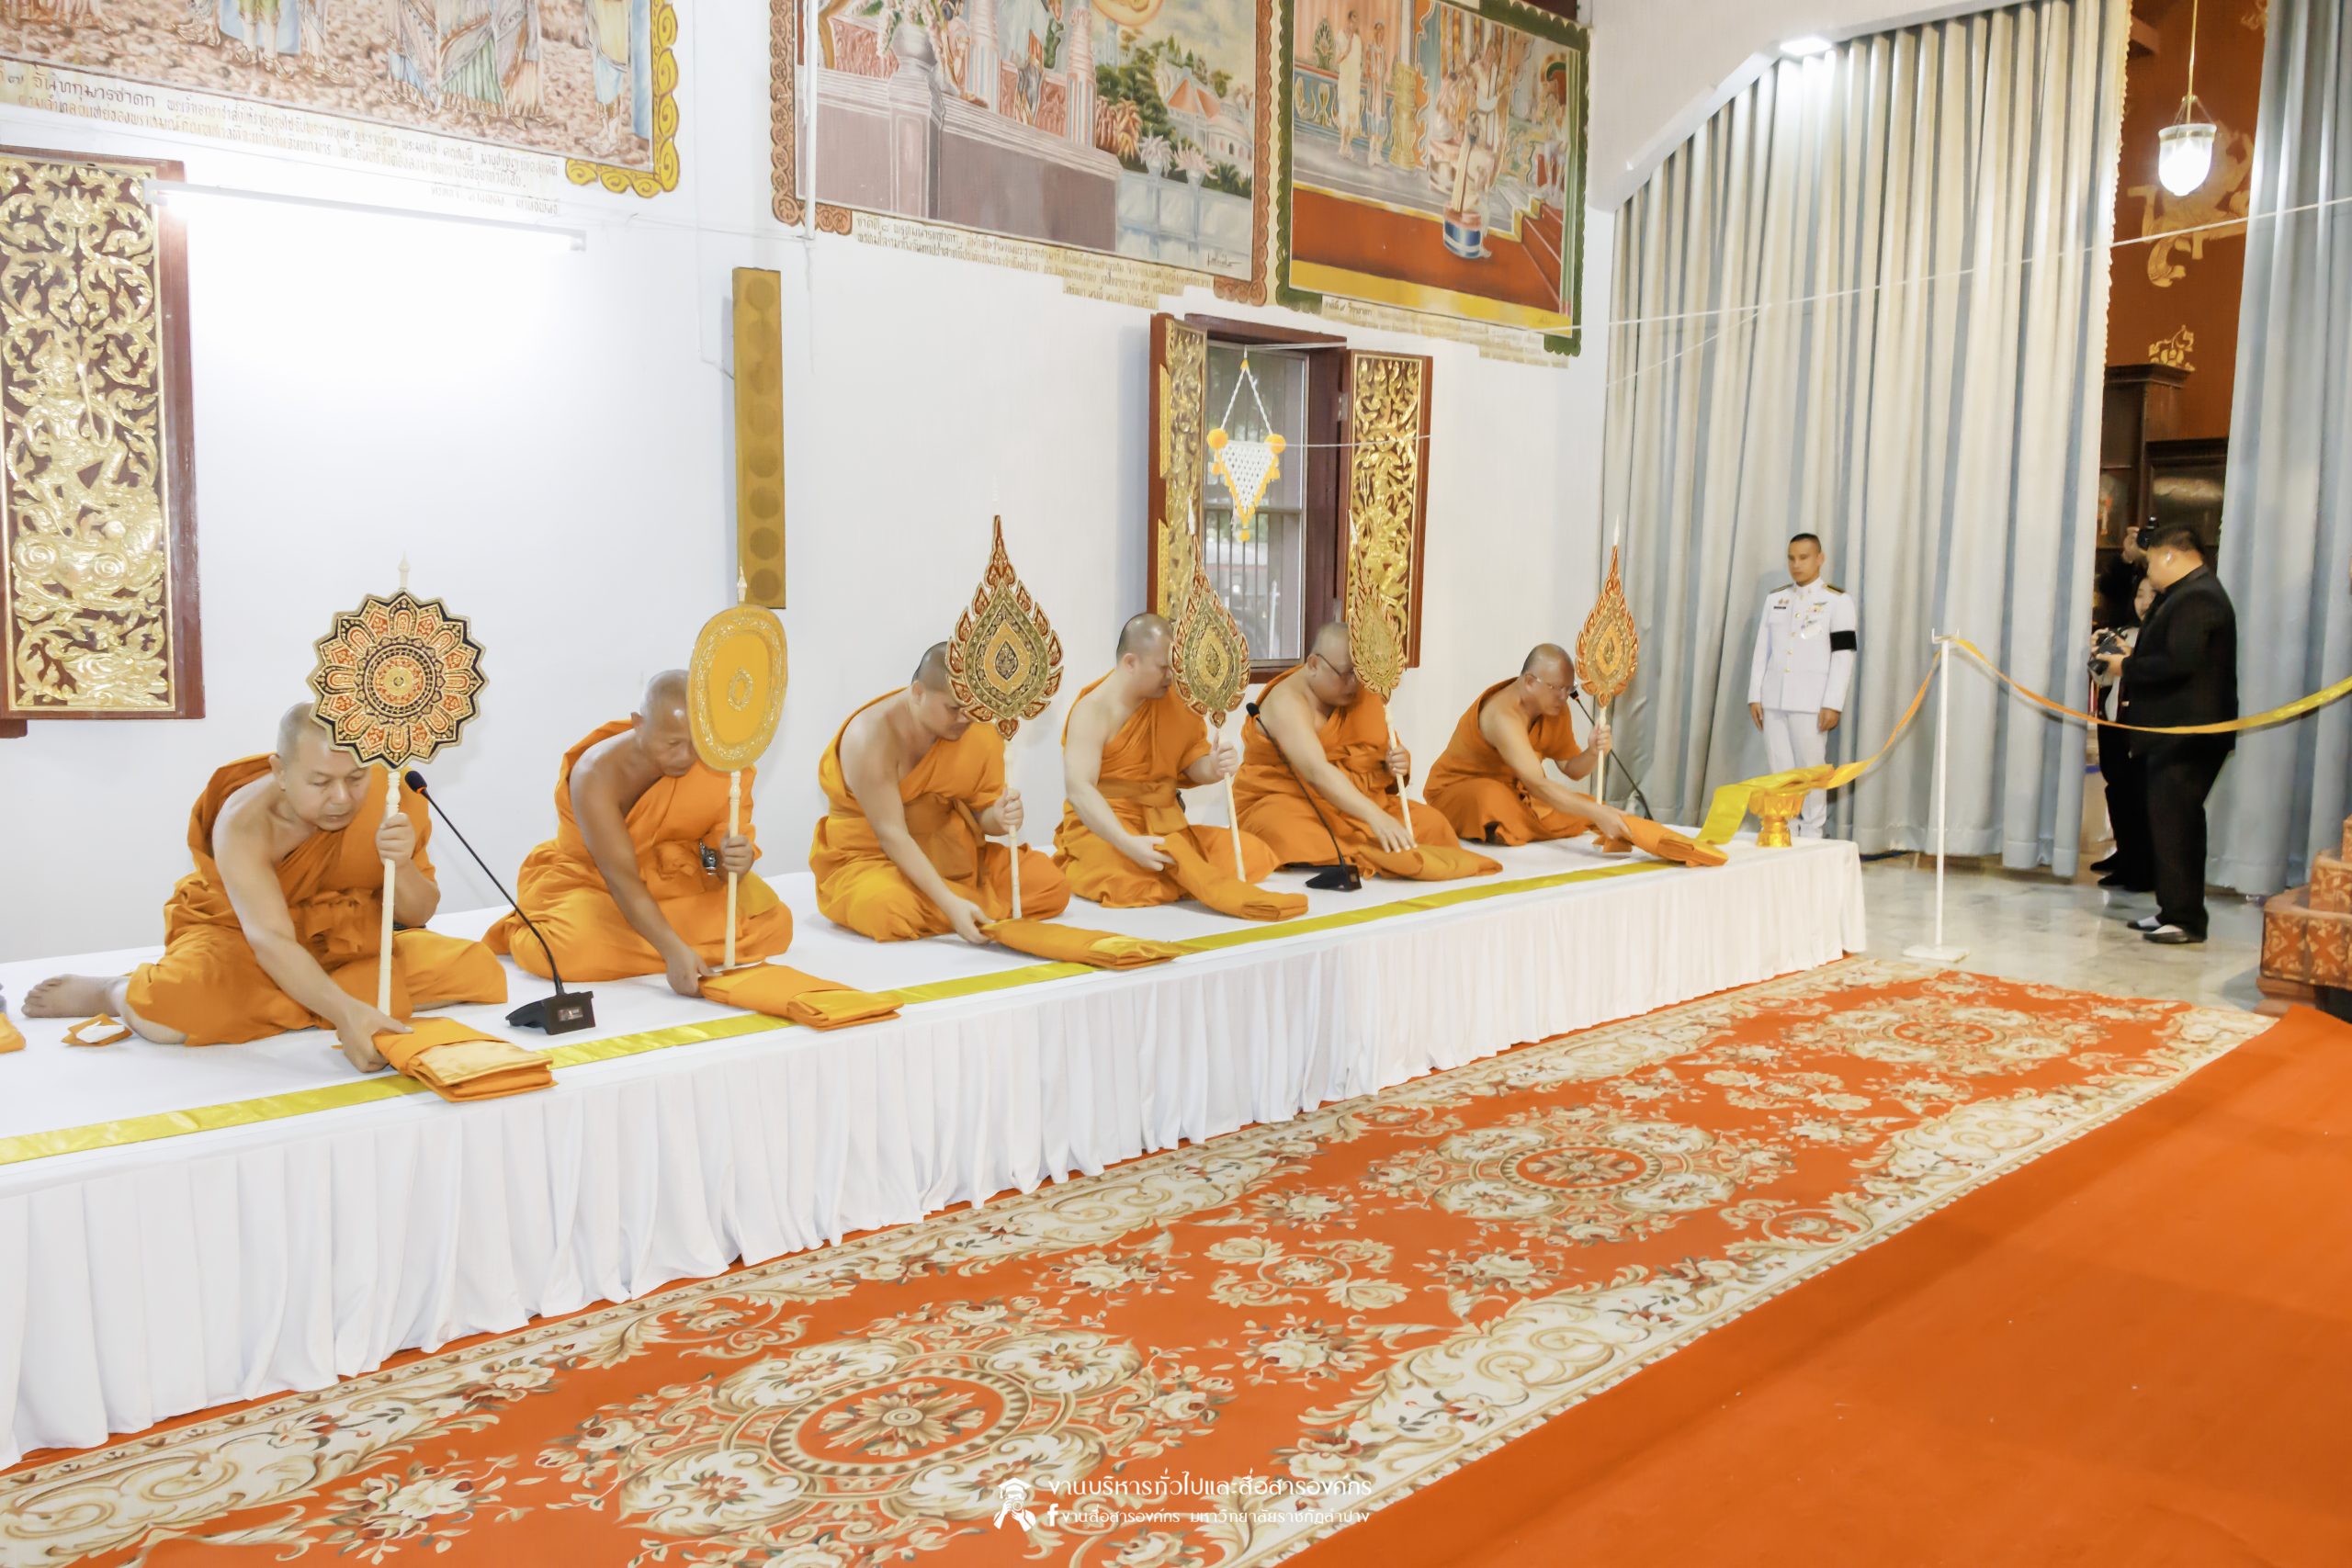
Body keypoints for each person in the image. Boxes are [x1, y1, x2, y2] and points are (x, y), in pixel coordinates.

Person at [24, 706, 505, 1071]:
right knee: (172, 1011)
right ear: (280, 771)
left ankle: (312, 998)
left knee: (476, 969)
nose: (342, 798)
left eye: (356, 778)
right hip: (244, 936)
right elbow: (271, 940)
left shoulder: (390, 796)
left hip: (346, 939)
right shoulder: (244, 822)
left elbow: (418, 914)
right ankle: (113, 991)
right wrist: (345, 1013)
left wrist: (399, 865)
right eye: (320, 782)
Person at [483, 671, 792, 998]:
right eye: (672, 744)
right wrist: (671, 950)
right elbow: (622, 879)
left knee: (773, 923)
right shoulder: (596, 773)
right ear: (639, 724)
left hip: (679, 879)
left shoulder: (722, 766)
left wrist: (731, 863)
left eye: (697, 743)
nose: (685, 757)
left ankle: (658, 941)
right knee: (568, 949)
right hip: (598, 884)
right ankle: (674, 945)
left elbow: (712, 861)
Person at [811, 642, 1069, 942]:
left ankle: (959, 907)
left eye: (973, 707)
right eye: (954, 708)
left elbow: (981, 815)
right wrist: (950, 904)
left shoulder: (976, 729)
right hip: (873, 860)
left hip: (954, 861)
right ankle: (963, 908)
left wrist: (998, 817)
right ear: (918, 693)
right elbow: (891, 835)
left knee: (1050, 884)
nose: (965, 718)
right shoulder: (870, 737)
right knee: (886, 909)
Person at [1054, 613, 1306, 920]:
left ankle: (1180, 871)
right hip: (1107, 827)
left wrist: (1214, 766)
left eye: (1173, 667)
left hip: (1166, 825)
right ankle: (1180, 874)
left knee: (1253, 854)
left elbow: (1189, 764)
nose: (1171, 676)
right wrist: (1127, 843)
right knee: (1124, 884)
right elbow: (1080, 789)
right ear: (1131, 662)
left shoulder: (1172, 701)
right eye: (1163, 668)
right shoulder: (1092, 711)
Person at [1235, 621, 1500, 881]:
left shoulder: (1361, 692)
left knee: (1433, 824)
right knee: (1288, 833)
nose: (1354, 683)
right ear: (1314, 664)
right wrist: (1375, 817)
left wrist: (1395, 763)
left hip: (1357, 801)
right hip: (1287, 801)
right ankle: (1377, 853)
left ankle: (1374, 849)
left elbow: (1379, 750)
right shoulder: (1286, 703)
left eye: (1359, 674)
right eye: (1346, 673)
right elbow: (1317, 772)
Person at [2096, 524, 2237, 944]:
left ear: (2171, 556)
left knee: (2178, 824)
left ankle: (2186, 919)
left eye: (2153, 561)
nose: (2150, 571)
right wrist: (2129, 654)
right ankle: (2172, 909)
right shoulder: (2184, 594)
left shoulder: (2198, 597)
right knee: (2168, 822)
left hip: (2188, 734)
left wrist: (2125, 667)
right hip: (2171, 732)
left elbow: (2179, 663)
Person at [1425, 643, 1632, 845]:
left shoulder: (1554, 709)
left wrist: (1593, 752)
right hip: (1458, 792)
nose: (1563, 697)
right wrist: (1596, 813)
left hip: (1519, 793)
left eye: (1569, 688)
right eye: (1557, 688)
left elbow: (1571, 768)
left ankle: (1516, 826)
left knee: (1587, 806)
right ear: (1530, 682)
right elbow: (1538, 784)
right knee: (1490, 798)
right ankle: (1513, 825)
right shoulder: (1502, 716)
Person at [1747, 533, 1859, 838]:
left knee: (1810, 770)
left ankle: (1812, 832)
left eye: (1804, 558)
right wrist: (1755, 694)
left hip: (1812, 701)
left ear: (1820, 559)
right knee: (1780, 770)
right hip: (1774, 698)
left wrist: (1833, 703)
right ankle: (1785, 829)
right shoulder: (1776, 599)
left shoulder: (1838, 601)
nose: (1796, 565)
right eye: (1791, 558)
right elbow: (1762, 650)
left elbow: (1843, 656)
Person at [2090, 575, 2158, 891]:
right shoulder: (2123, 632)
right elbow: (2104, 680)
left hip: (2142, 726)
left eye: (2152, 594)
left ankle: (2141, 866)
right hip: (2113, 721)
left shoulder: (2163, 637)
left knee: (2140, 797)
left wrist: (2130, 656)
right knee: (2117, 790)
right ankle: (2124, 854)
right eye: (2139, 595)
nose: (2145, 602)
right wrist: (2100, 656)